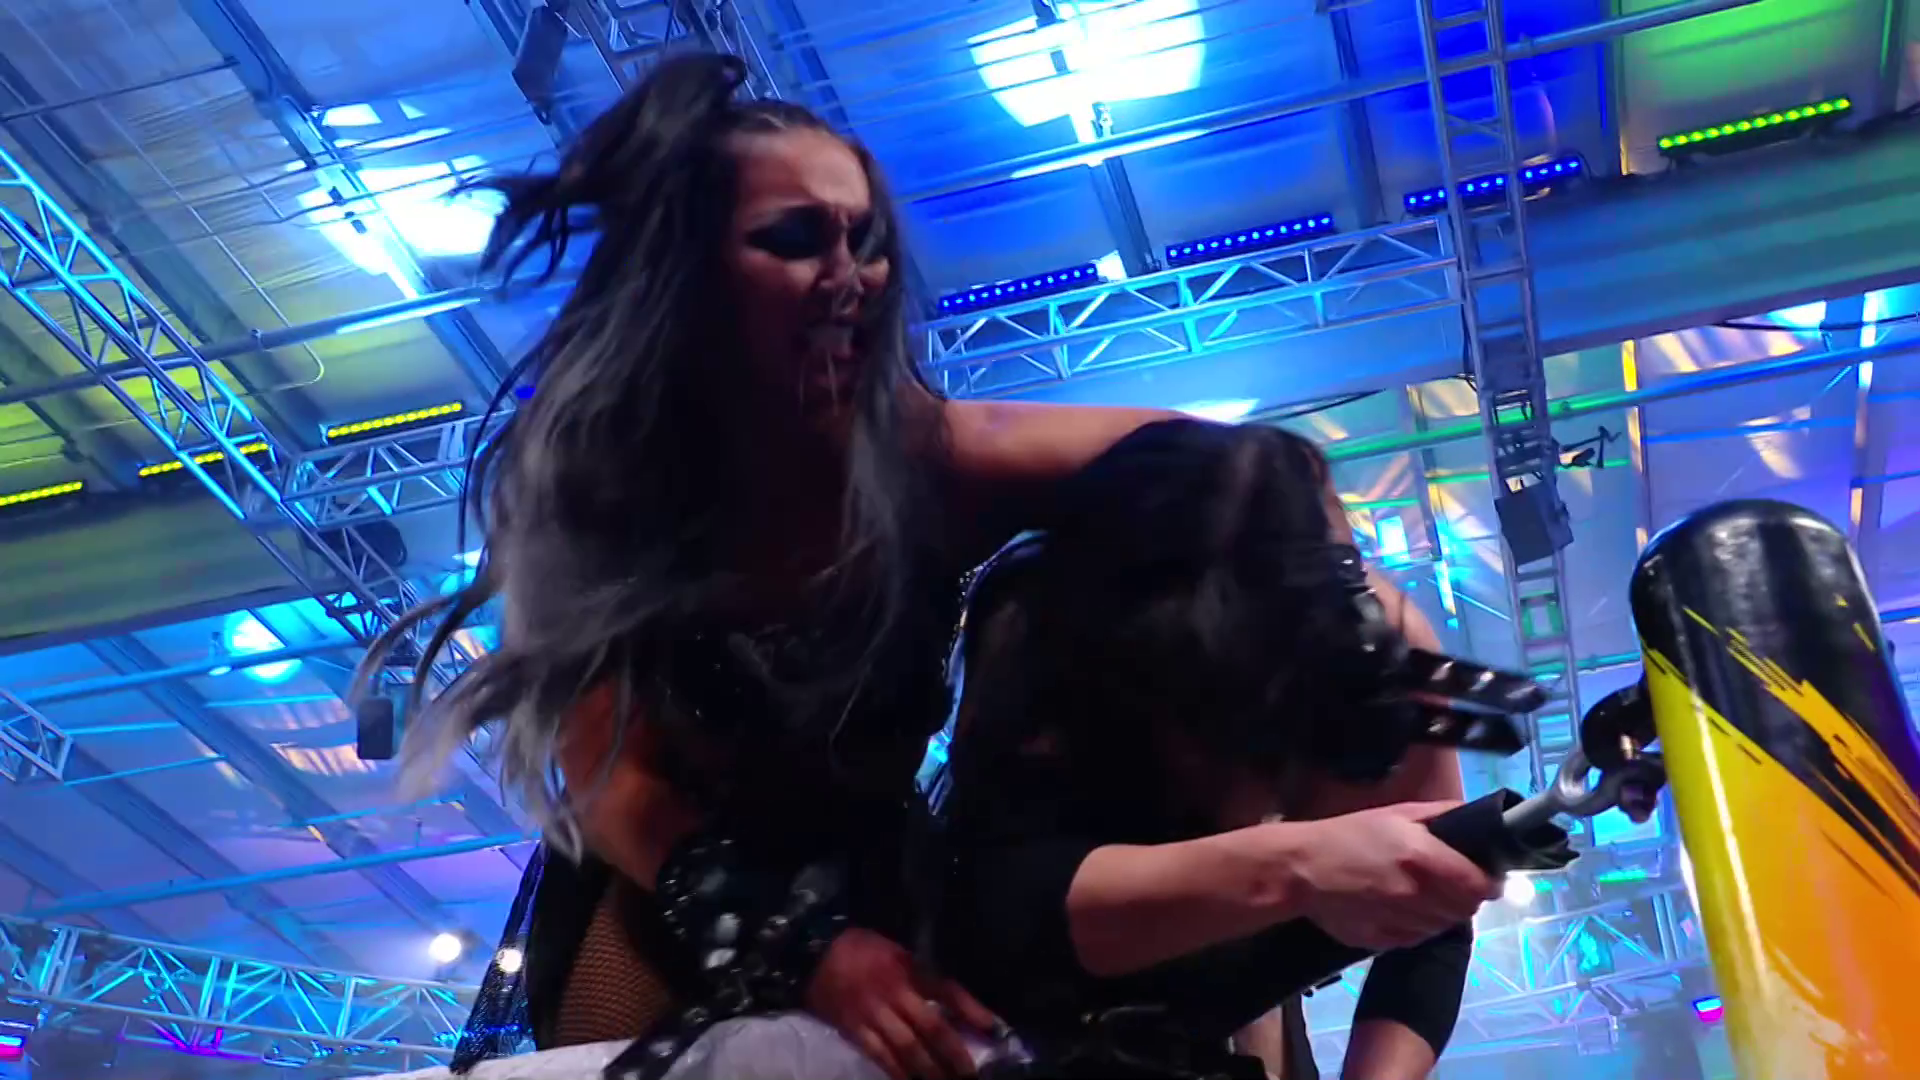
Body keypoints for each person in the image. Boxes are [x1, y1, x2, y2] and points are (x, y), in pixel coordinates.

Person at [365, 51, 1507, 1080]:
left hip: (890, 874)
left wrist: (1351, 621)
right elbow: (615, 789)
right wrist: (805, 949)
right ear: (691, 272)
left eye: (866, 240)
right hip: (671, 881)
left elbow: (1257, 476)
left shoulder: (932, 460)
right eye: (795, 238)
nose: (848, 274)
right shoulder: (599, 492)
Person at [933, 419, 1525, 1079]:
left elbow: (1435, 917)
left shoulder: (1382, 660)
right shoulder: (1038, 636)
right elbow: (1003, 915)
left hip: (1215, 991)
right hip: (1020, 978)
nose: (1259, 790)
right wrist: (1294, 867)